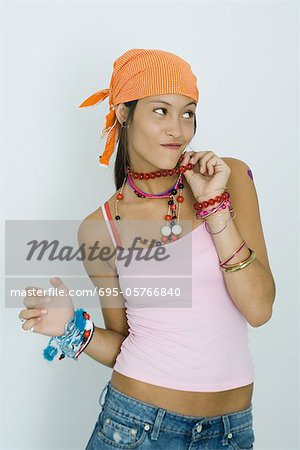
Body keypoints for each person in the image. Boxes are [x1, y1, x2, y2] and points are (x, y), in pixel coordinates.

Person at [18, 48, 276, 449]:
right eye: (160, 111)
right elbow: (123, 342)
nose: (178, 129)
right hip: (137, 428)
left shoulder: (230, 178)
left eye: (187, 112)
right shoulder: (100, 228)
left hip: (231, 432)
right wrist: (71, 329)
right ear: (123, 112)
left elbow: (259, 310)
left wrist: (215, 209)